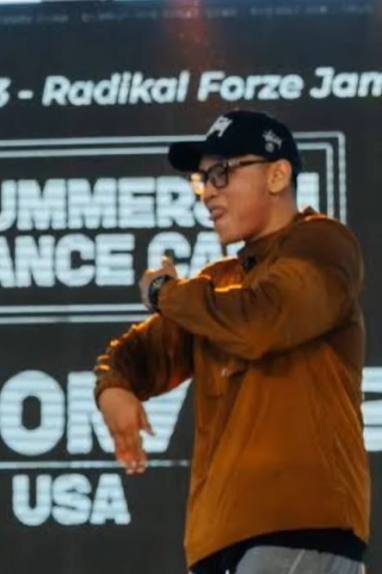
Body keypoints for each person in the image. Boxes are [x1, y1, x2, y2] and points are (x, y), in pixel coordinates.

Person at [93, 110, 369, 574]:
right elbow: (134, 355)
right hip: (221, 542)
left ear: (278, 174)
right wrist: (112, 388)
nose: (208, 192)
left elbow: (261, 320)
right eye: (201, 179)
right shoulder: (217, 285)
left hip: (297, 529)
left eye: (222, 172)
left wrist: (165, 293)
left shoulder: (323, 244)